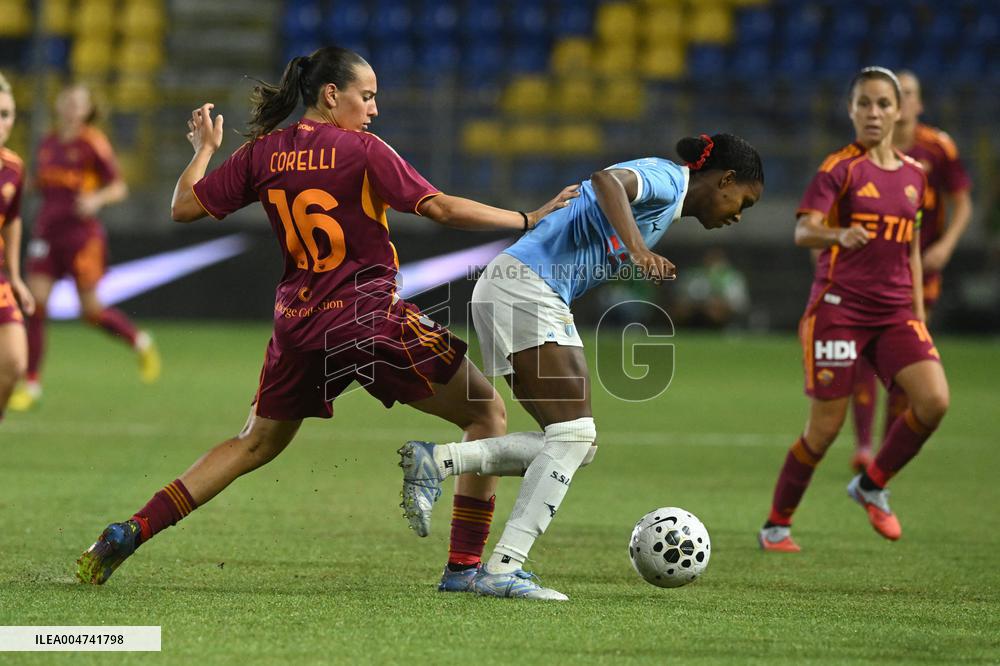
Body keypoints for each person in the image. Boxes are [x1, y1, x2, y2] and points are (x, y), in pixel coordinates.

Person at [75, 46, 577, 586]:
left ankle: (131, 529)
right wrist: (526, 216)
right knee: (486, 415)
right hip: (366, 319)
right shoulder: (362, 150)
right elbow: (436, 206)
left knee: (253, 443)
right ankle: (465, 568)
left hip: (299, 325)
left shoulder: (262, 153)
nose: (374, 109)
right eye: (367, 96)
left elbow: (184, 207)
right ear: (331, 94)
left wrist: (203, 150)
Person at [400, 133, 764, 599]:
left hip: (513, 288)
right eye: (743, 202)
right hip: (528, 289)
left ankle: (441, 463)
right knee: (575, 435)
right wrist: (637, 249)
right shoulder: (670, 179)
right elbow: (606, 181)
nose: (737, 215)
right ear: (726, 180)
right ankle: (503, 567)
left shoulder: (667, 199)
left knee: (574, 444)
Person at [758, 67, 949, 553]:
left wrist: (918, 312)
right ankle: (777, 525)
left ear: (899, 110)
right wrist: (837, 235)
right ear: (851, 110)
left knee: (934, 401)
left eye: (884, 103)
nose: (874, 112)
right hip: (838, 310)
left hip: (895, 313)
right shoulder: (839, 168)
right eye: (864, 103)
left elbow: (909, 246)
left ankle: (871, 484)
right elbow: (804, 231)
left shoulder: (914, 176)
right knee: (824, 429)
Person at [847, 69, 972, 472]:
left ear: (914, 104)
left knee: (905, 364)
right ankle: (865, 447)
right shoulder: (860, 154)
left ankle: (887, 448)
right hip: (871, 270)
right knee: (864, 357)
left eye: (904, 95)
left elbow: (963, 201)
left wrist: (945, 247)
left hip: (917, 269)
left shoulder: (937, 149)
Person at [8, 83, 159, 412]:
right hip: (47, 233)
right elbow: (38, 183)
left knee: (90, 312)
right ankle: (31, 383)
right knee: (34, 305)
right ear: (59, 105)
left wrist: (96, 199)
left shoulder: (93, 142)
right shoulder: (48, 142)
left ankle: (139, 341)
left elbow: (118, 186)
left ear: (88, 109)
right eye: (67, 101)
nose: (71, 107)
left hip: (82, 237)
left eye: (78, 103)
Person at [0, 72, 35, 420]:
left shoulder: (13, 167)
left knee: (14, 363)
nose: (1, 123)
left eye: (6, 114)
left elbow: (11, 218)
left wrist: (15, 275)